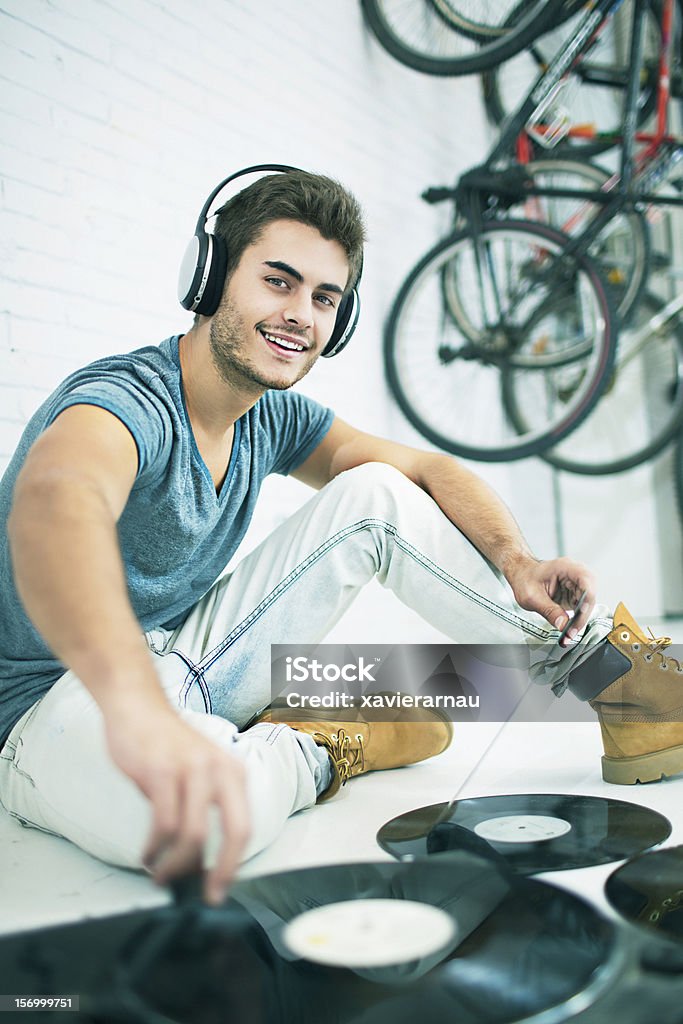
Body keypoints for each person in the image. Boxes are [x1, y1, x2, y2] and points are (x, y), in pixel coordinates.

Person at [0, 168, 680, 907]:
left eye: (324, 299)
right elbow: (53, 507)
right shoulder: (123, 403)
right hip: (47, 706)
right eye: (278, 282)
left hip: (187, 661)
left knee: (378, 491)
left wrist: (517, 561)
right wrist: (133, 708)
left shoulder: (271, 417)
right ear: (209, 278)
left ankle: (616, 680)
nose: (300, 315)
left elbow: (427, 468)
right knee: (199, 833)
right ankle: (319, 739)